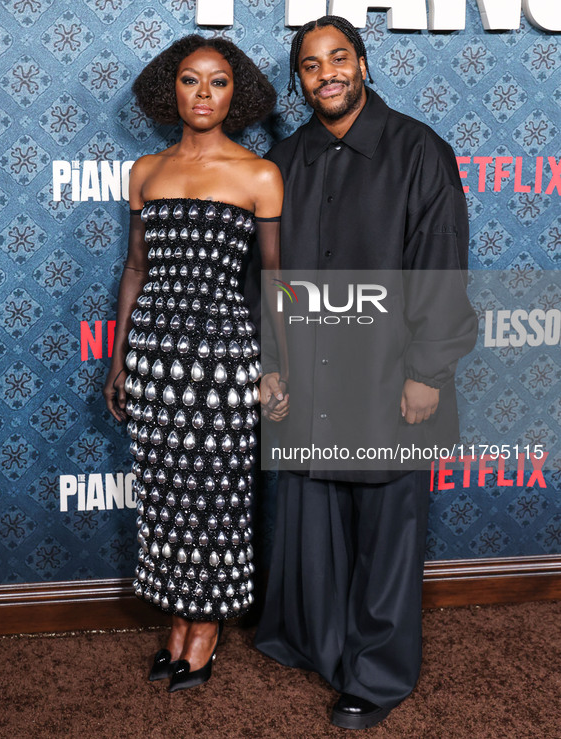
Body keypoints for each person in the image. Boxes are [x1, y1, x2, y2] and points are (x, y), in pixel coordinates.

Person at [250, 15, 478, 730]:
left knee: (386, 532)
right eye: (311, 66)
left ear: (363, 64)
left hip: (390, 375)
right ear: (300, 80)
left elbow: (439, 266)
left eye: (338, 59)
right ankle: (320, 645)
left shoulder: (418, 150)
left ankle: (377, 676)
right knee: (314, 522)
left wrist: (427, 372)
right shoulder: (285, 159)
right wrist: (272, 364)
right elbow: (270, 277)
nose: (327, 75)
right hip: (310, 378)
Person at [103, 34, 286, 692]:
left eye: (217, 82)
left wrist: (276, 367)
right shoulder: (146, 171)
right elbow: (133, 270)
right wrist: (119, 357)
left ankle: (204, 628)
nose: (202, 94)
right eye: (189, 80)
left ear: (237, 94)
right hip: (153, 356)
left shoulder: (259, 174)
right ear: (169, 89)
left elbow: (272, 279)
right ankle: (177, 620)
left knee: (215, 499)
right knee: (165, 498)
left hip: (221, 362)